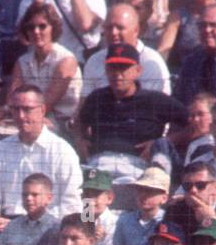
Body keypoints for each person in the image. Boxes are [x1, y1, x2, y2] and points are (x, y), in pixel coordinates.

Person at [77, 44, 186, 181]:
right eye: (113, 67)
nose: (117, 73)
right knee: (88, 196)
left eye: (124, 68)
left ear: (138, 70)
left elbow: (193, 125)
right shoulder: (96, 98)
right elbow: (79, 121)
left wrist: (162, 142)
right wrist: (80, 139)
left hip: (136, 167)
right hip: (98, 163)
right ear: (106, 69)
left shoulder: (154, 100)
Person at [0, 85, 82, 231]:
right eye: (16, 109)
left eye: (27, 109)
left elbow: (71, 204)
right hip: (4, 226)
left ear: (42, 110)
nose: (21, 116)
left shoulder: (63, 151)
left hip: (48, 228)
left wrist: (32, 224)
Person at [1, 3, 81, 128]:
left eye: (42, 26)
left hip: (64, 123)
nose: (36, 31)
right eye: (31, 27)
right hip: (30, 118)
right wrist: (3, 111)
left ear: (53, 28)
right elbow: (12, 100)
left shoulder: (66, 60)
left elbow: (46, 104)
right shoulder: (22, 62)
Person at [82, 3, 172, 97]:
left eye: (120, 28)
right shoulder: (94, 61)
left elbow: (155, 106)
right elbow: (85, 103)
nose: (114, 32)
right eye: (109, 27)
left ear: (136, 30)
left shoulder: (151, 62)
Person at [0, 173, 58, 245]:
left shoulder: (56, 228)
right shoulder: (13, 225)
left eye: (35, 195)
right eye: (25, 195)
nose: (28, 198)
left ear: (49, 198)